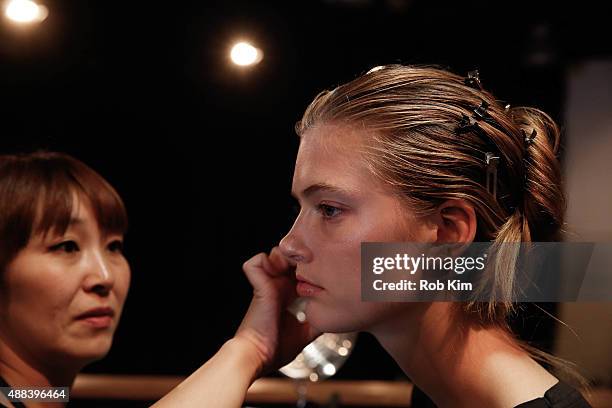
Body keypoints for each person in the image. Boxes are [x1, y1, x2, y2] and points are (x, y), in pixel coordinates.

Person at [155, 65, 592, 407]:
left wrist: (244, 354)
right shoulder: (439, 397)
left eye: (330, 209)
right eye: (300, 208)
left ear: (448, 232)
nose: (288, 245)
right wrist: (248, 349)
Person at [0, 152, 130, 408]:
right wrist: (234, 352)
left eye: (113, 246)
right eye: (67, 246)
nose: (105, 277)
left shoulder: (42, 395)